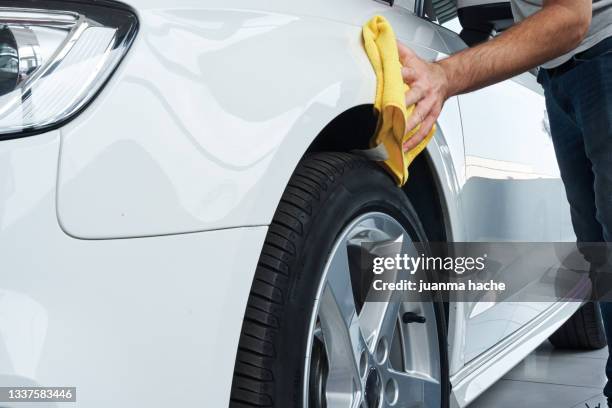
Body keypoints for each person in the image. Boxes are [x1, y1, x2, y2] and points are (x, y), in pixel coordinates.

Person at [397, 0, 612, 404]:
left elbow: (569, 16)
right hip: (558, 73)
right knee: (599, 251)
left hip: (602, 53)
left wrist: (446, 73)